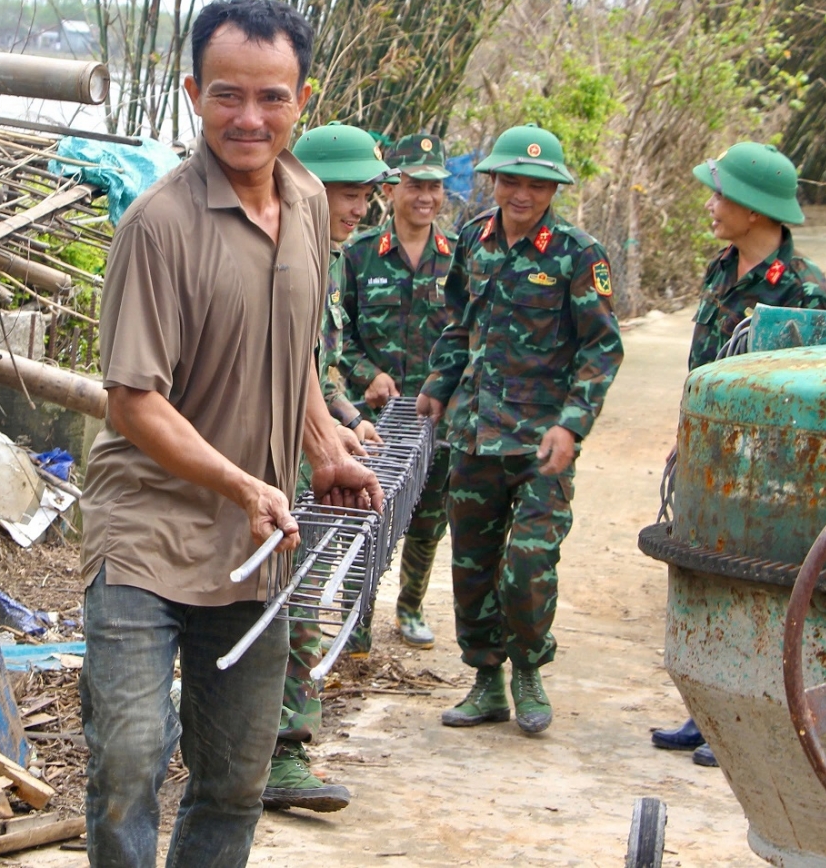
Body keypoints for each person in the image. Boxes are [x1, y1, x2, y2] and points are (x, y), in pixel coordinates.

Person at [78, 0, 383, 868]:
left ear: (303, 98)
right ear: (192, 94)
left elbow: (296, 355)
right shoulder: (159, 226)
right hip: (147, 531)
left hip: (254, 543)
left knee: (237, 776)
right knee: (130, 758)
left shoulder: (314, 203)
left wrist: (323, 449)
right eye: (227, 95)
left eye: (272, 97)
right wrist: (247, 483)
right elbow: (134, 402)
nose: (250, 118)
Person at [416, 123, 623, 735]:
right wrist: (437, 384)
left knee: (528, 565)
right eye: (512, 180)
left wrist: (572, 426)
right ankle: (486, 681)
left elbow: (601, 349)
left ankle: (530, 668)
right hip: (475, 433)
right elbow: (458, 324)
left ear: (552, 189)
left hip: (540, 442)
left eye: (537, 184)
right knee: (473, 564)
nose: (522, 194)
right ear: (495, 181)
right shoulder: (473, 241)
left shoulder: (577, 253)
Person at [651, 141, 826, 767]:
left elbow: (807, 394)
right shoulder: (721, 269)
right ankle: (709, 712)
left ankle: (755, 720)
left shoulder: (804, 291)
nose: (712, 205)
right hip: (711, 453)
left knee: (764, 589)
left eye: (721, 195)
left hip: (767, 472)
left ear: (755, 209)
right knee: (707, 580)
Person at [262, 122, 390, 813]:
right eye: (347, 194)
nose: (359, 210)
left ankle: (280, 749)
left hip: (292, 451)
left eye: (366, 197)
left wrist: (339, 418)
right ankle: (275, 754)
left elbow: (316, 364)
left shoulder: (323, 254)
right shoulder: (277, 250)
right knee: (285, 601)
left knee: (297, 595)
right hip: (250, 460)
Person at [337, 133, 456, 652]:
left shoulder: (460, 258)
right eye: (414, 184)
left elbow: (471, 335)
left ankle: (410, 605)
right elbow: (336, 338)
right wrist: (368, 374)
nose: (424, 196)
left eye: (433, 186)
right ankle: (355, 614)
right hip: (375, 418)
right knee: (367, 513)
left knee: (430, 516)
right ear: (393, 189)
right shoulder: (359, 255)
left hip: (437, 418)